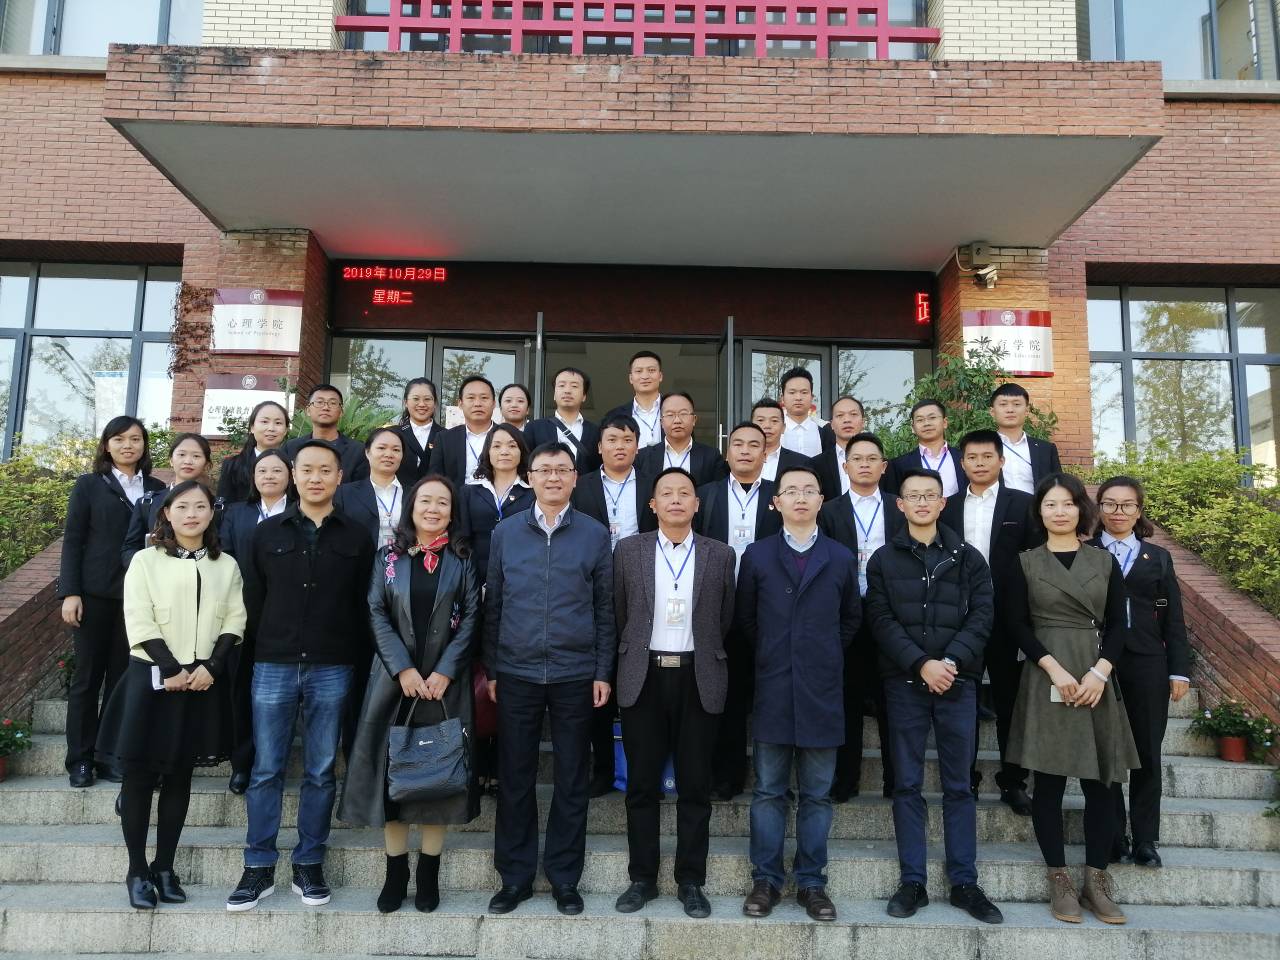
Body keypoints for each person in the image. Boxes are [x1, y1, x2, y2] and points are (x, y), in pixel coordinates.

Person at [226, 440, 376, 912]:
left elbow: (363, 603)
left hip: (333, 664)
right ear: (294, 474)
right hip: (273, 662)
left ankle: (309, 861)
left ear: (339, 477)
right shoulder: (265, 533)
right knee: (266, 768)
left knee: (320, 769)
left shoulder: (358, 536)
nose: (315, 478)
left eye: (325, 470)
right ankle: (258, 865)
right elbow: (252, 599)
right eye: (307, 469)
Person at [96, 480, 246, 909]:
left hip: (201, 682)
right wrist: (171, 668)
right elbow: (138, 617)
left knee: (180, 777)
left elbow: (235, 619)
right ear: (166, 513)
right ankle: (137, 871)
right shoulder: (146, 560)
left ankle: (165, 866)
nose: (191, 514)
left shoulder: (225, 565)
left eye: (200, 507)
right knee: (140, 778)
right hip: (152, 679)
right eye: (182, 507)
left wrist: (212, 666)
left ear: (212, 513)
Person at [339, 474, 482, 914]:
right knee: (392, 779)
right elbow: (375, 612)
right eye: (425, 501)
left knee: (440, 777)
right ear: (412, 508)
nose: (433, 509)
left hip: (444, 687)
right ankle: (395, 871)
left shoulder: (463, 560)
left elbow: (473, 617)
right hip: (393, 683)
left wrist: (445, 671)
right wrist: (401, 667)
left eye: (442, 503)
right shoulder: (388, 557)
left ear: (451, 512)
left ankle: (428, 874)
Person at [483, 442, 614, 917]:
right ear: (530, 477)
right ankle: (515, 877)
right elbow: (494, 604)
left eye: (562, 470)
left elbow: (605, 608)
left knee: (572, 778)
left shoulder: (595, 534)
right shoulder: (505, 532)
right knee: (515, 776)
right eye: (544, 470)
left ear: (575, 478)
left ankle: (564, 877)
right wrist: (492, 667)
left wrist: (602, 671)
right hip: (516, 671)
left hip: (575, 672)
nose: (553, 477)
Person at [867, 467, 1003, 925]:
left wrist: (949, 662)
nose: (922, 502)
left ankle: (964, 882)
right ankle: (913, 882)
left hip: (957, 684)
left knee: (958, 786)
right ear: (900, 505)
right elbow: (881, 620)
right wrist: (920, 664)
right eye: (914, 496)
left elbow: (982, 616)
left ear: (943, 503)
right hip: (904, 684)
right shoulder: (883, 560)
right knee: (906, 785)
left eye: (931, 495)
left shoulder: (969, 558)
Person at [1006, 473, 1139, 926]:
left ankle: (1096, 880)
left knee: (1102, 782)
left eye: (1067, 504)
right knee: (1048, 782)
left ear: (1082, 510)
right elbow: (1016, 624)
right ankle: (1059, 879)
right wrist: (1055, 669)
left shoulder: (1104, 561)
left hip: (1095, 673)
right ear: (1039, 512)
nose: (1059, 512)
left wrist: (1100, 672)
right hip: (1047, 671)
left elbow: (1119, 625)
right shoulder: (1025, 563)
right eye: (1050, 504)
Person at [612, 468, 736, 919]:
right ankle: (642, 879)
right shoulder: (629, 551)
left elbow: (724, 617)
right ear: (653, 504)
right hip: (643, 675)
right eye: (667, 493)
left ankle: (691, 881)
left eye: (685, 493)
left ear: (697, 504)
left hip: (697, 676)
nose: (677, 499)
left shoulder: (720, 554)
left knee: (695, 785)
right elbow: (620, 611)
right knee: (642, 785)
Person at [737, 465, 858, 922]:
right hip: (773, 684)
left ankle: (811, 883)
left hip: (822, 688)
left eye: (810, 490)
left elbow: (851, 618)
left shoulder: (840, 557)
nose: (801, 497)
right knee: (768, 790)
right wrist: (776, 653)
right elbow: (746, 619)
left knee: (817, 795)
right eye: (791, 491)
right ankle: (765, 880)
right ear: (776, 502)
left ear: (822, 500)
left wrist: (819, 653)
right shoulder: (757, 555)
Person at [60, 416, 167, 788]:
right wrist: (70, 592)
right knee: (87, 678)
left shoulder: (157, 488)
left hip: (138, 599)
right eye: (119, 439)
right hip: (94, 595)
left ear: (144, 445)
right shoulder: (89, 485)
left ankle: (110, 758)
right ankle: (80, 760)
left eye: (135, 439)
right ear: (107, 445)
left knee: (123, 679)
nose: (128, 445)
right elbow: (73, 539)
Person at [1089, 476, 1190, 869]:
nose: (1118, 512)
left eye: (1127, 505)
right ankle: (1114, 835)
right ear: (1099, 508)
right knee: (1107, 749)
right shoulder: (1086, 553)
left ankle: (1146, 838)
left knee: (1148, 749)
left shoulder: (1157, 557)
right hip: (1099, 662)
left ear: (1139, 511)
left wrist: (1179, 670)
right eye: (1110, 504)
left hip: (1148, 662)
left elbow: (1174, 619)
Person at [940, 430, 1040, 815]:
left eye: (987, 456)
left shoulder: (1024, 505)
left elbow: (1034, 561)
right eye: (972, 457)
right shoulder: (947, 507)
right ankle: (964, 778)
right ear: (962, 463)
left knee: (1010, 701)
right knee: (960, 700)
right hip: (959, 619)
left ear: (1001, 460)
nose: (979, 463)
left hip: (1007, 618)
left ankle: (1013, 780)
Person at [571, 413, 658, 797]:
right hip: (592, 590)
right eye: (612, 439)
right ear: (599, 446)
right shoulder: (582, 486)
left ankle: (646, 771)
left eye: (627, 439)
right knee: (599, 682)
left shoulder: (654, 486)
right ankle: (604, 769)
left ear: (637, 446)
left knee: (643, 682)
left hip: (644, 590)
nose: (620, 446)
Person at [694, 422, 781, 800]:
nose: (745, 451)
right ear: (727, 453)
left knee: (768, 692)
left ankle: (772, 780)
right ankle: (725, 777)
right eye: (738, 444)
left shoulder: (781, 494)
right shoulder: (705, 495)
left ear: (766, 453)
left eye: (754, 445)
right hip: (716, 607)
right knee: (722, 696)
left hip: (770, 607)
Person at [818, 432, 901, 802]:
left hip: (889, 613)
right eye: (857, 459)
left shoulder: (899, 507)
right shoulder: (829, 511)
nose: (864, 465)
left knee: (891, 700)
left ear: (883, 467)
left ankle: (895, 780)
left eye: (872, 459)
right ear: (845, 465)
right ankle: (845, 780)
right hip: (845, 613)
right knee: (846, 699)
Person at [218, 448, 295, 795]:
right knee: (241, 691)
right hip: (243, 617)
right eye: (262, 471)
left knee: (282, 696)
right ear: (253, 477)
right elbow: (224, 560)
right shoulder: (237, 513)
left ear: (289, 476)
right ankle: (243, 764)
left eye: (277, 471)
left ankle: (275, 761)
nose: (269, 476)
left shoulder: (299, 513)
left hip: (288, 619)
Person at [122, 433, 220, 569]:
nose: (188, 461)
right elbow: (130, 547)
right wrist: (145, 570)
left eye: (196, 456)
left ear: (207, 464)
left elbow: (221, 548)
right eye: (181, 454)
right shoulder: (148, 503)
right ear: (171, 460)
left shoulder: (218, 506)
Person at [459, 423, 535, 587]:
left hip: (522, 580)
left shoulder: (533, 493)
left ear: (521, 451)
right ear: (488, 451)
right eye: (497, 446)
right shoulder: (468, 492)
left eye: (512, 446)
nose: (504, 451)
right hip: (475, 579)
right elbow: (462, 539)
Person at [635, 392, 728, 487]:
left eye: (683, 414)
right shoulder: (642, 458)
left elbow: (719, 491)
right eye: (670, 415)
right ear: (661, 422)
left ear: (694, 420)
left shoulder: (711, 457)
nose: (677, 420)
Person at [335, 427, 406, 549]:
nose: (388, 454)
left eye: (396, 450)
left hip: (405, 560)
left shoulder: (415, 494)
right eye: (381, 448)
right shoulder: (345, 493)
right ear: (367, 452)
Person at [283, 384, 369, 484]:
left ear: (341, 412)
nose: (326, 407)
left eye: (332, 403)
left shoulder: (358, 451)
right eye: (319, 402)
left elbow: (360, 488)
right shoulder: (291, 448)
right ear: (308, 410)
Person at [524, 367, 601, 474]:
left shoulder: (596, 432)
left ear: (584, 396)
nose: (567, 391)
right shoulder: (534, 428)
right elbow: (526, 465)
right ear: (554, 394)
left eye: (574, 386)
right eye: (561, 385)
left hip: (584, 485)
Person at [988, 384, 1062, 495]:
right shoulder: (981, 448)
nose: (1010, 410)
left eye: (1017, 404)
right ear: (992, 412)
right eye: (1003, 404)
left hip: (1035, 505)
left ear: (1026, 411)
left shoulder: (1046, 449)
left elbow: (1059, 486)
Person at [887, 399, 964, 498]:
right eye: (920, 420)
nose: (927, 423)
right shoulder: (898, 465)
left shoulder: (963, 458)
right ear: (913, 427)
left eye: (932, 417)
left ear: (945, 422)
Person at [216, 400, 290, 504]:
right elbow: (224, 506)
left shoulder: (294, 465)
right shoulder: (233, 466)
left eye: (278, 423)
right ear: (252, 427)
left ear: (286, 430)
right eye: (264, 422)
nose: (271, 428)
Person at [431, 375, 497, 487]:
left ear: (494, 403)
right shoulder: (445, 439)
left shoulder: (508, 436)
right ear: (460, 404)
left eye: (484, 398)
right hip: (457, 497)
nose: (477, 403)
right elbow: (435, 478)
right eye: (471, 398)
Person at [604, 350, 664, 448]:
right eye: (639, 371)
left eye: (651, 370)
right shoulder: (614, 416)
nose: (645, 376)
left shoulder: (676, 410)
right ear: (631, 378)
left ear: (660, 376)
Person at [813, 396, 866, 501]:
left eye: (853, 414)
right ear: (832, 424)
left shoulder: (880, 464)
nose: (847, 420)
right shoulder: (815, 465)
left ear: (863, 422)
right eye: (840, 415)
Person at [778, 367, 834, 459]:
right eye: (792, 392)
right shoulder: (774, 429)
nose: (798, 398)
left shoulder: (825, 430)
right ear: (782, 398)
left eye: (804, 392)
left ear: (811, 397)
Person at [395, 377, 440, 490]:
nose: (422, 404)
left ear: (435, 403)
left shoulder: (446, 435)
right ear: (406, 402)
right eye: (416, 399)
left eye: (427, 399)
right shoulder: (393, 434)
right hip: (398, 496)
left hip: (434, 497)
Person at [751, 398, 811, 483]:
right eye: (760, 420)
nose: (767, 426)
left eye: (774, 421)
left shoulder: (802, 463)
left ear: (783, 428)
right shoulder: (738, 460)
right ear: (751, 426)